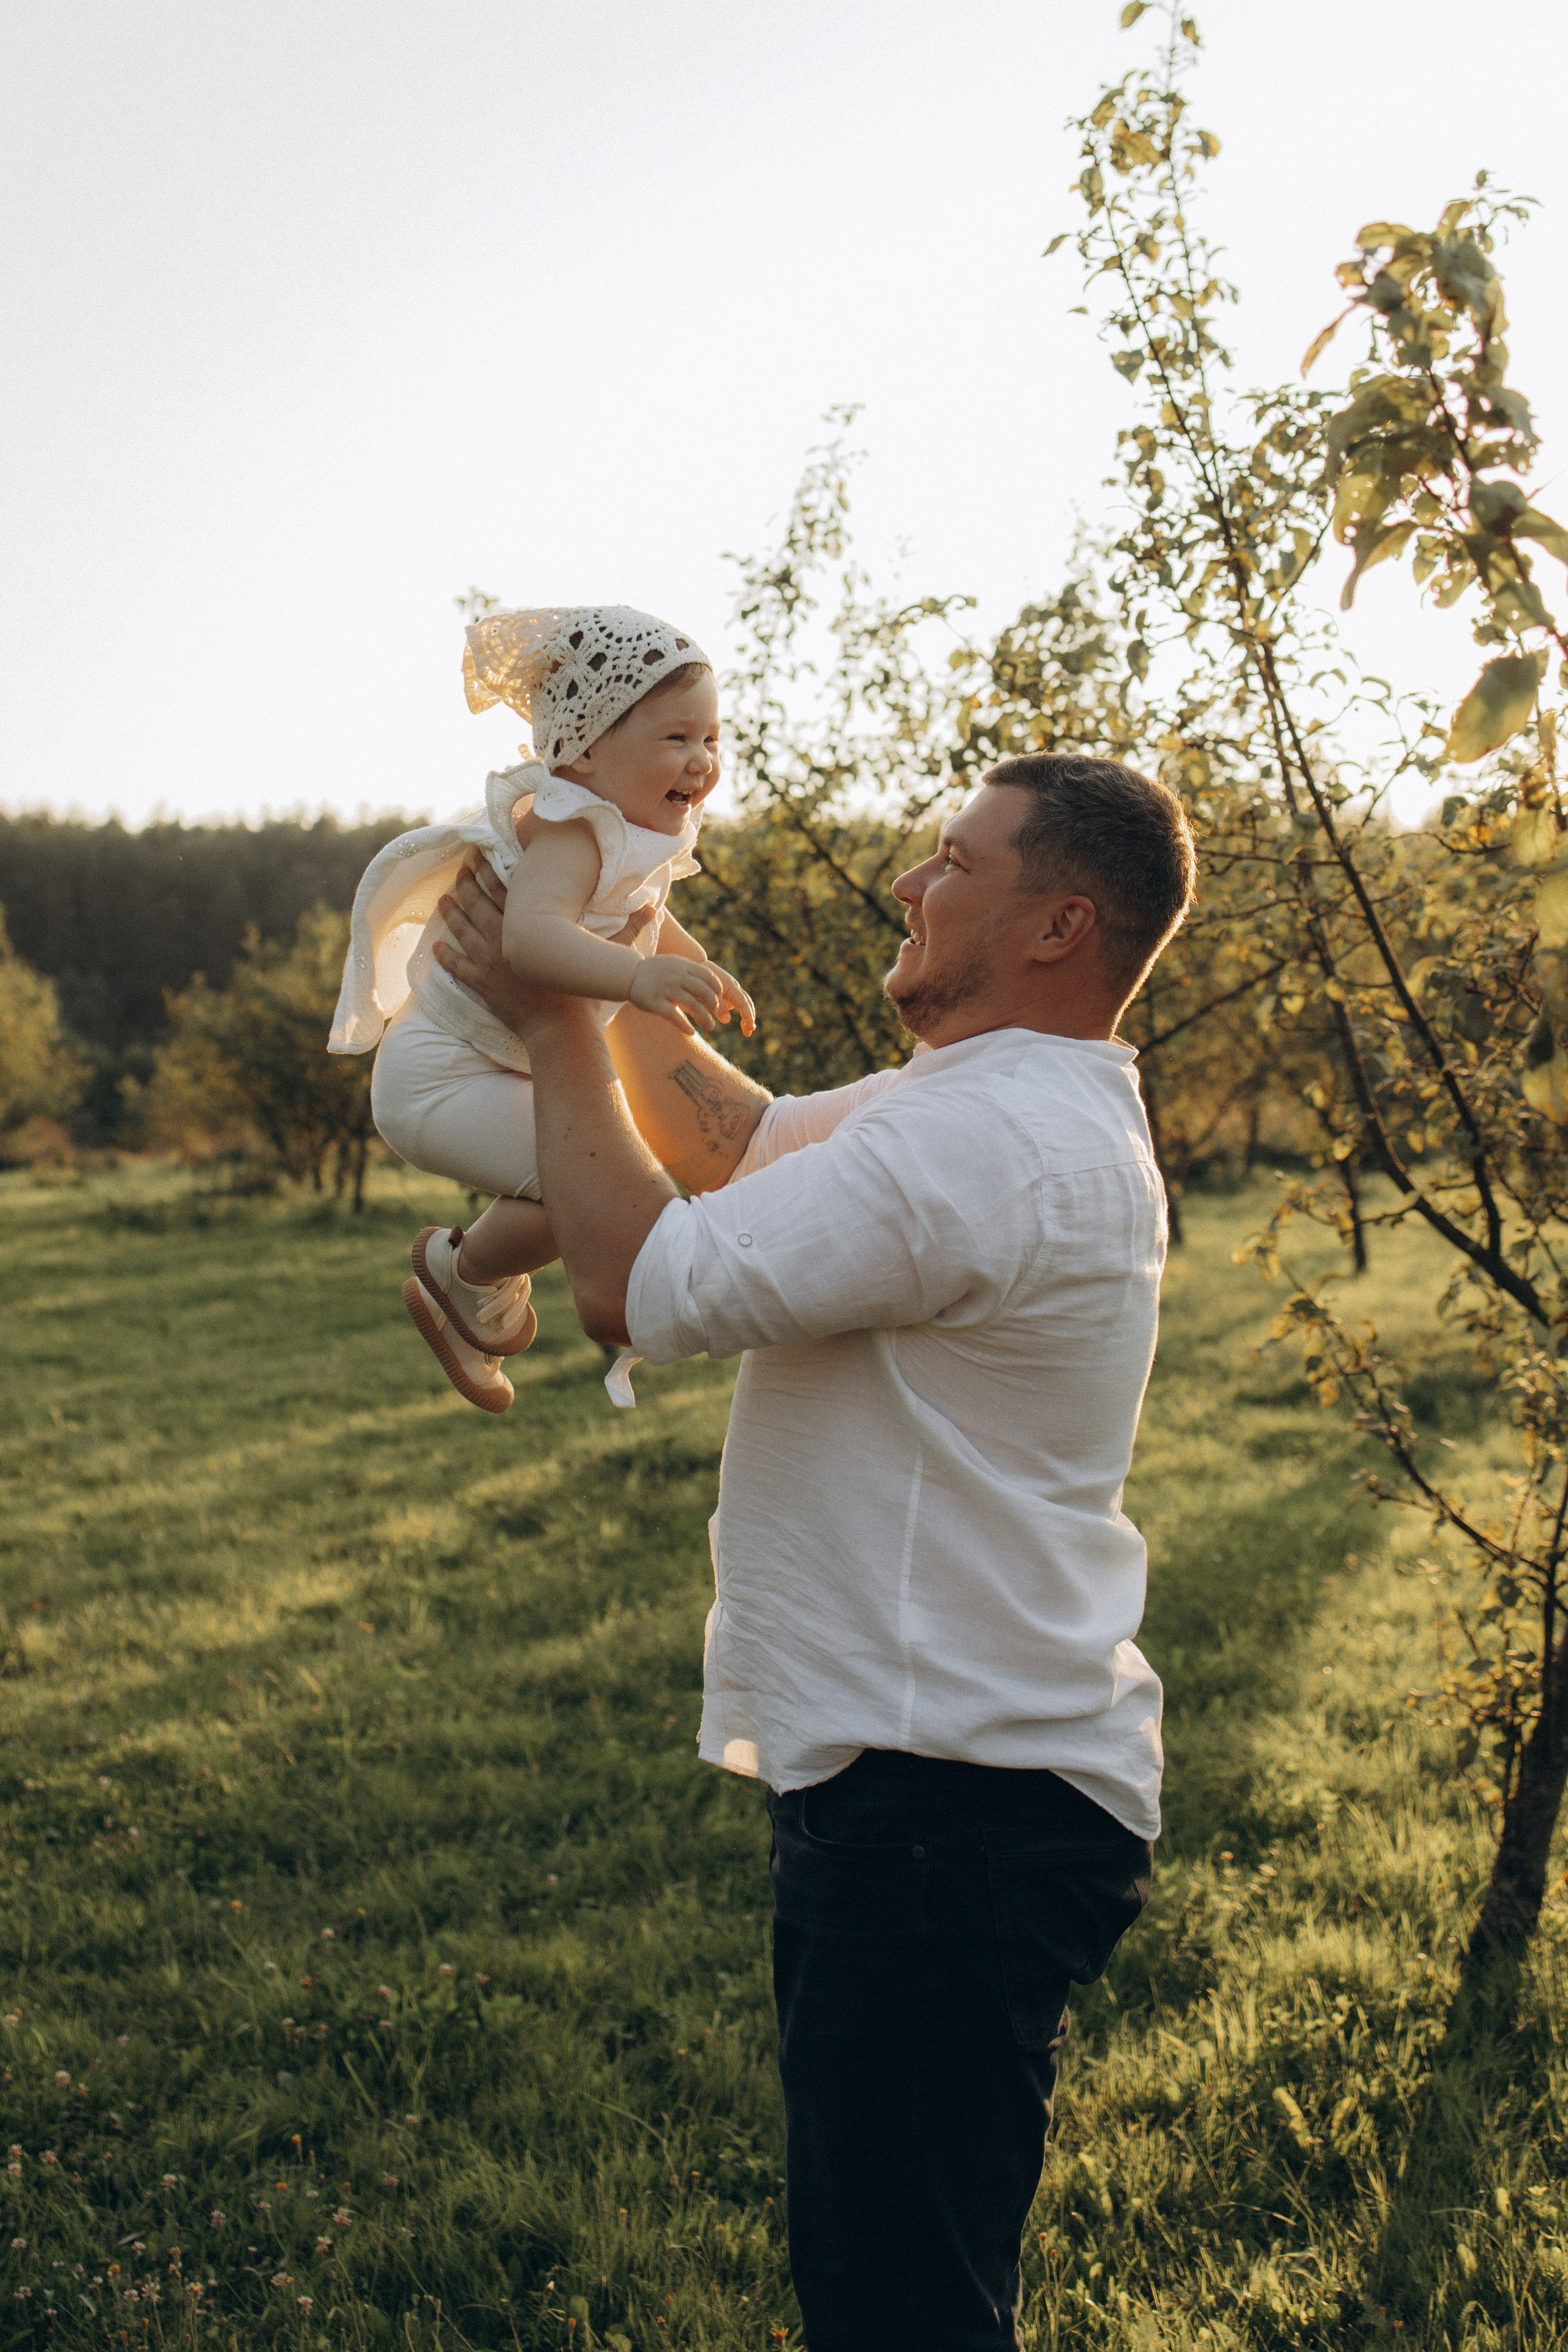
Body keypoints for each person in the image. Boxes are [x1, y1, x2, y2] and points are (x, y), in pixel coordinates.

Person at [433, 751, 1196, 2352]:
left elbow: (642, 1281)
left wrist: (556, 1013)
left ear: (1059, 925)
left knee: (897, 2312)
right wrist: (608, 930)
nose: (906, 884)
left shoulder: (988, 1145)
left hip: (956, 1804)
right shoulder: (975, 1108)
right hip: (945, 1789)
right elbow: (735, 1146)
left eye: (951, 862)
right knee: (894, 2287)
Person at [327, 606, 753, 1412]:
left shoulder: (629, 831)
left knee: (599, 1177)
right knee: (589, 1189)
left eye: (712, 739)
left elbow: (645, 912)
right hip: (441, 1076)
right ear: (586, 748)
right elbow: (530, 939)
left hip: (495, 1067)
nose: (702, 761)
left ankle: (472, 1286)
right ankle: (468, 1273)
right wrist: (635, 983)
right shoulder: (569, 828)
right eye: (676, 739)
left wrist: (699, 969)